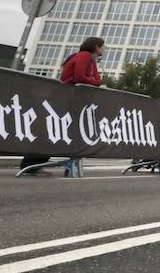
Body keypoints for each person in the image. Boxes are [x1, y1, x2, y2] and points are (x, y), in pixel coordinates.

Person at [21, 37, 105, 174]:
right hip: (65, 100)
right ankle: (31, 164)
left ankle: (40, 164)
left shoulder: (91, 60)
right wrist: (93, 81)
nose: (103, 49)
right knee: (54, 132)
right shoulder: (84, 56)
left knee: (62, 133)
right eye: (102, 46)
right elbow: (81, 78)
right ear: (95, 46)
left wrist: (94, 81)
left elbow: (97, 80)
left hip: (72, 101)